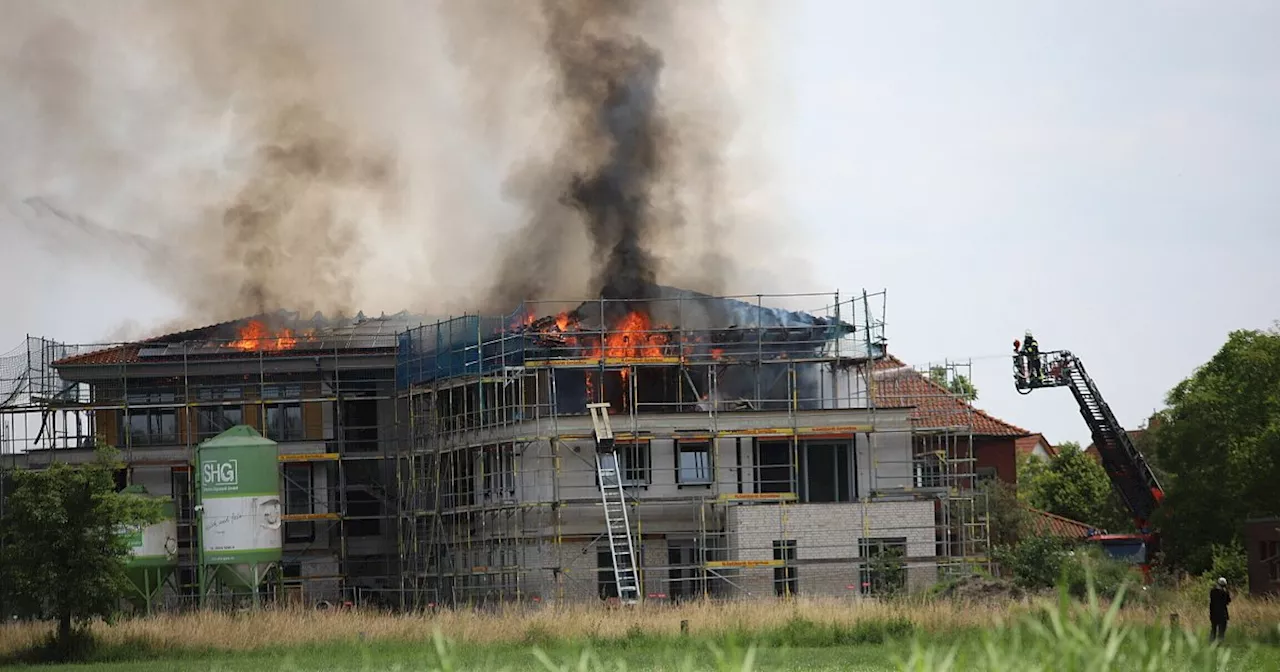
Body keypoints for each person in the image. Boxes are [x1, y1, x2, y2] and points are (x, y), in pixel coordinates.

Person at [1209, 577, 1231, 642]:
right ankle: (1220, 643)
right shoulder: (1225, 593)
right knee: (1222, 630)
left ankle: (1211, 642)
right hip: (1222, 613)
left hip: (1213, 613)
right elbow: (1228, 601)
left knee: (1213, 629)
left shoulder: (1212, 591)